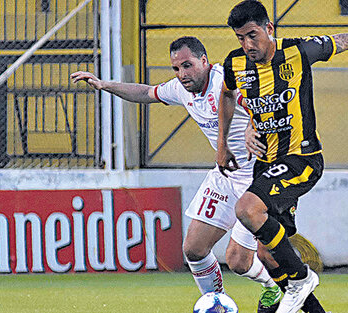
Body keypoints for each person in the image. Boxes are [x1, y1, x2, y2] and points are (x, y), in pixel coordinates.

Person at [72, 36, 327, 313]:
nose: (182, 74)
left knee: (239, 261)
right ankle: (216, 305)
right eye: (176, 69)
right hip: (225, 176)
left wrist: (251, 128)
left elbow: (256, 102)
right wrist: (104, 84)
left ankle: (274, 288)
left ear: (204, 61)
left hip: (256, 178)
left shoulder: (223, 80)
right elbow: (145, 93)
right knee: (194, 249)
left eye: (188, 65)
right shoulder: (181, 89)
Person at [216, 1, 348, 313]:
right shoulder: (235, 64)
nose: (247, 44)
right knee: (268, 255)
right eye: (240, 38)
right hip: (266, 164)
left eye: (252, 35)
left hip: (301, 159)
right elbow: (227, 94)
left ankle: (302, 279)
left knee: (246, 209)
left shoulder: (299, 51)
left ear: (269, 29)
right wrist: (227, 142)